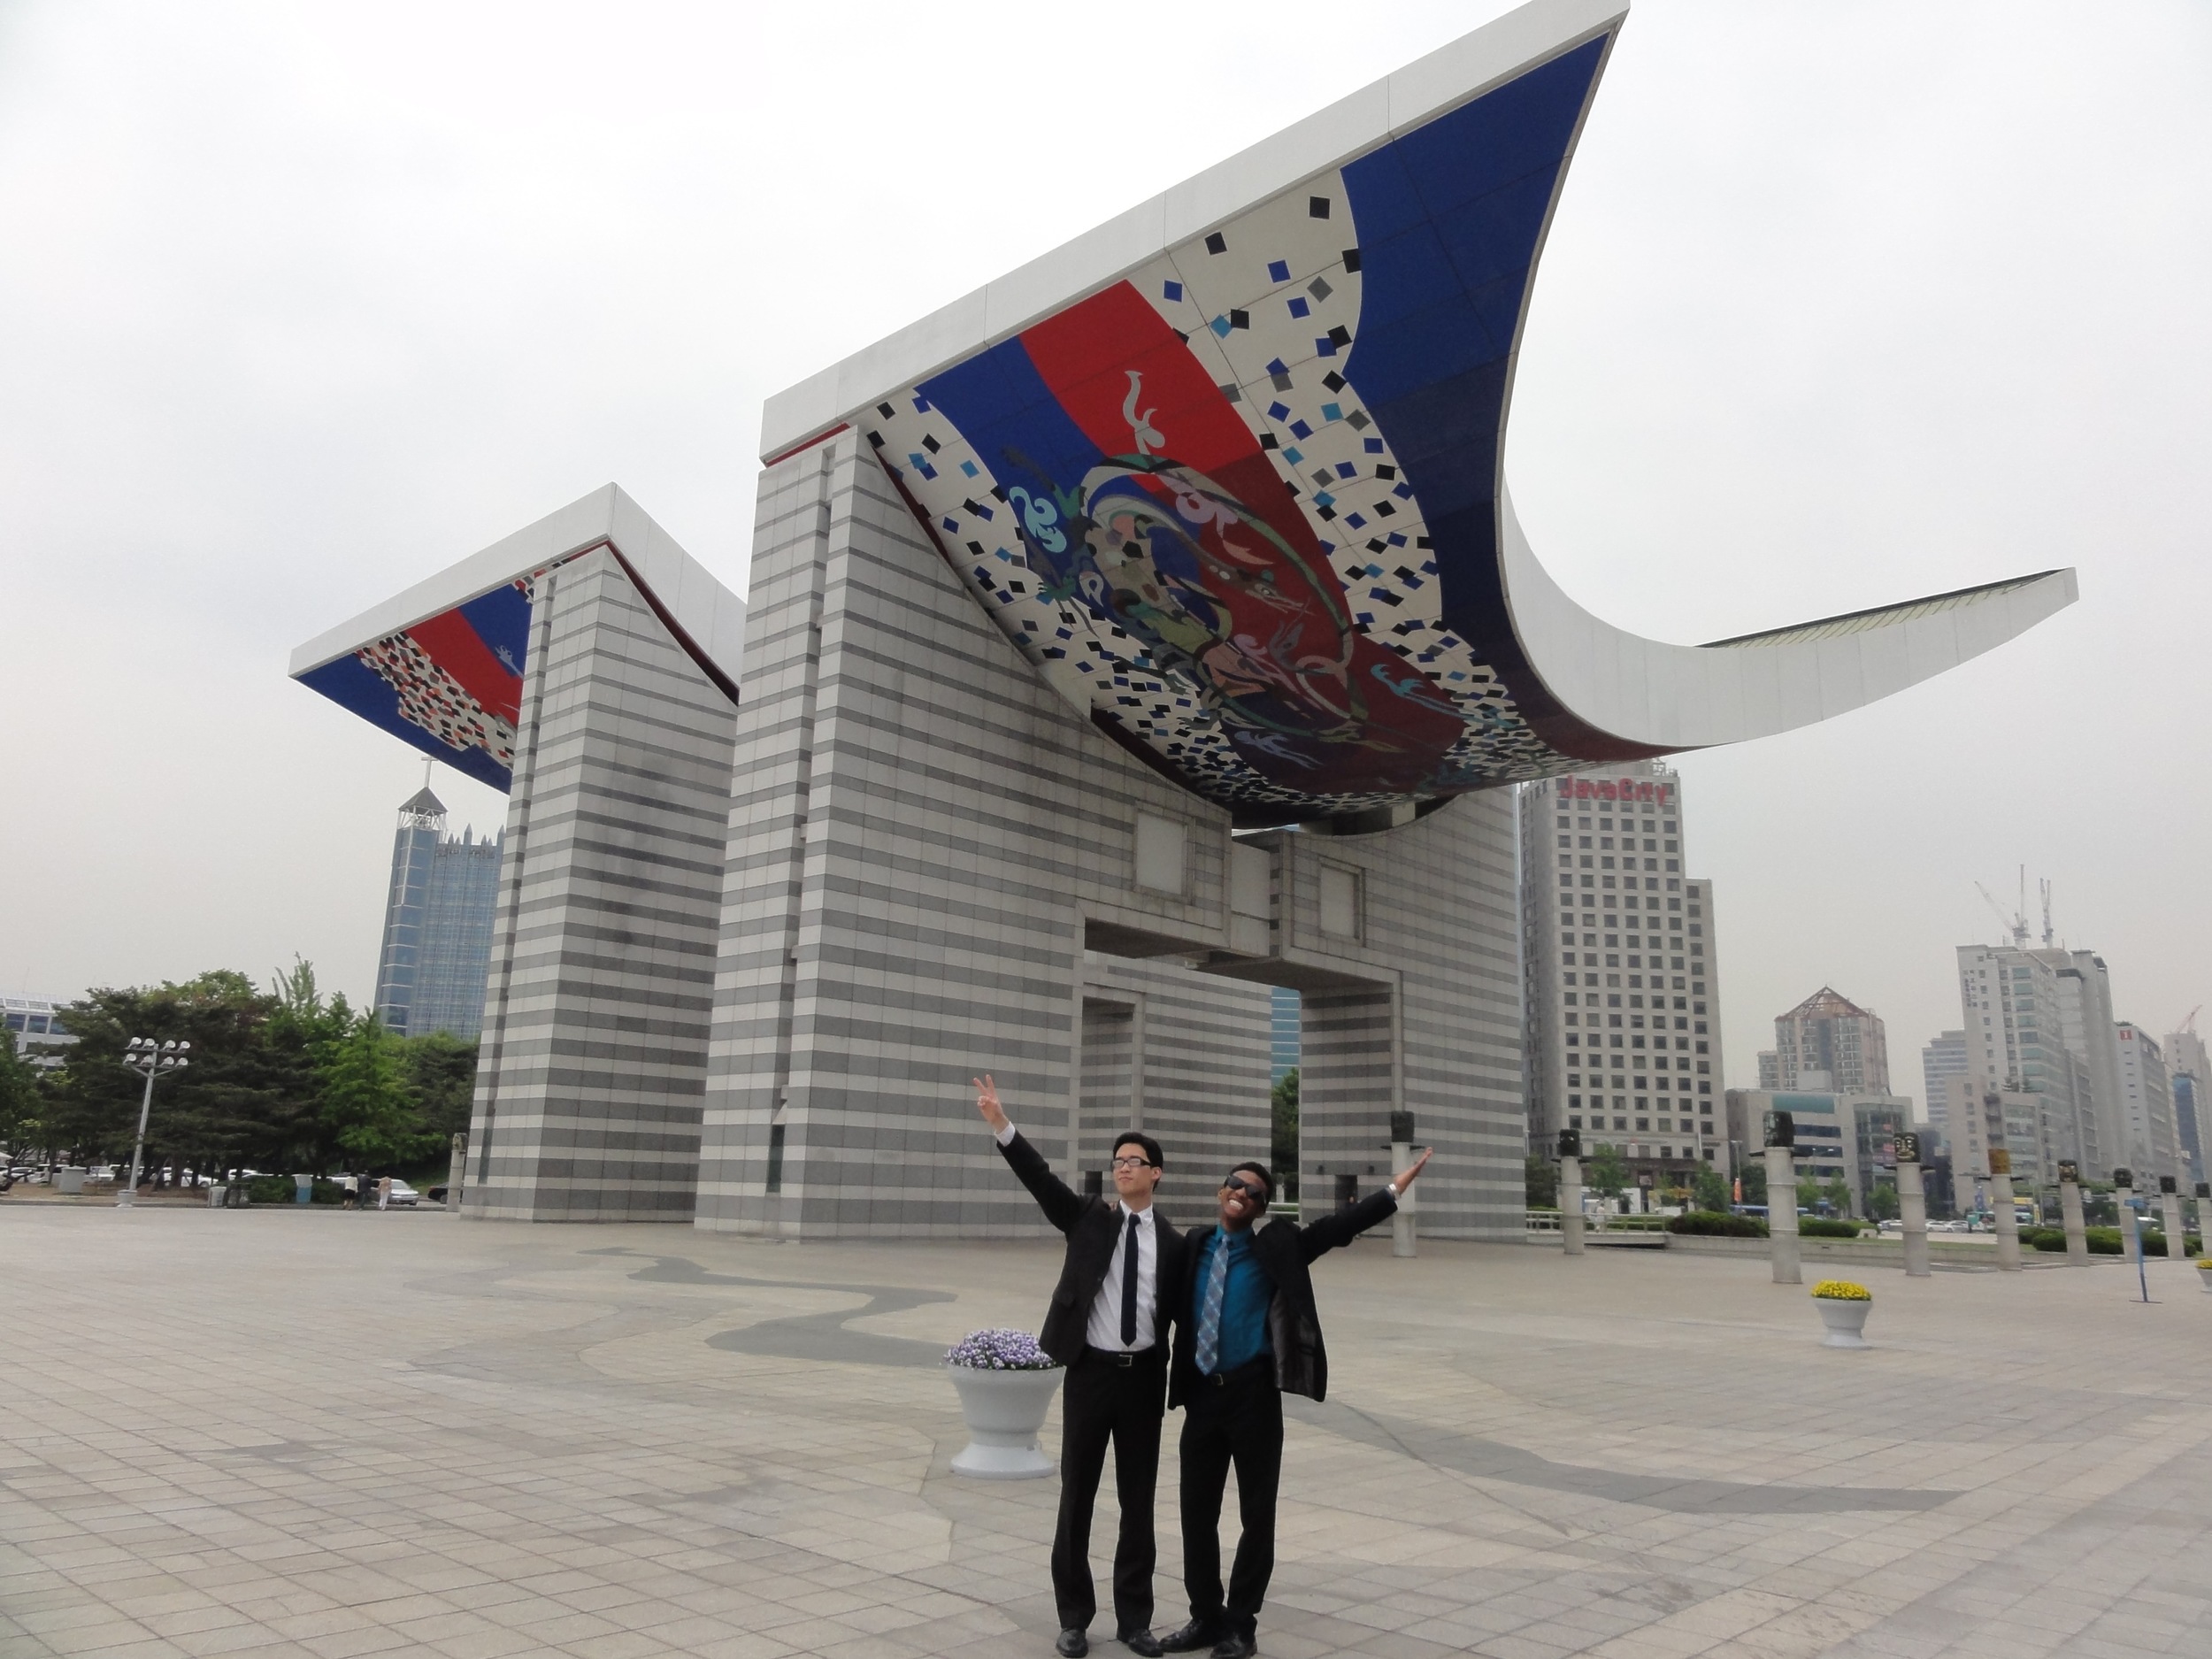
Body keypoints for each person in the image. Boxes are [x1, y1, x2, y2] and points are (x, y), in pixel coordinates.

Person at [1160, 1149, 1432, 1659]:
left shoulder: (1276, 1246)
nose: (1242, 1194)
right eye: (1235, 1185)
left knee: (1256, 1515)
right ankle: (1204, 1617)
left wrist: (1393, 1191)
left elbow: (1336, 1228)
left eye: (1254, 1193)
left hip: (1253, 1396)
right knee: (1196, 1514)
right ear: (1221, 1191)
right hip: (1202, 1395)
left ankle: (1240, 1624)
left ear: (1263, 1208)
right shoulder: (1195, 1244)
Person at [976, 1075, 1185, 1659]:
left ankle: (1135, 1619)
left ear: (1156, 1173)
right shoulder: (1088, 1217)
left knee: (1138, 1499)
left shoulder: (1173, 1242)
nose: (1122, 1167)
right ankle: (1073, 1616)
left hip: (1143, 1378)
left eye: (1134, 1160)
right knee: (1078, 1495)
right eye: (1117, 1160)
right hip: (1090, 1374)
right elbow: (1039, 1177)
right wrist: (1002, 1123)